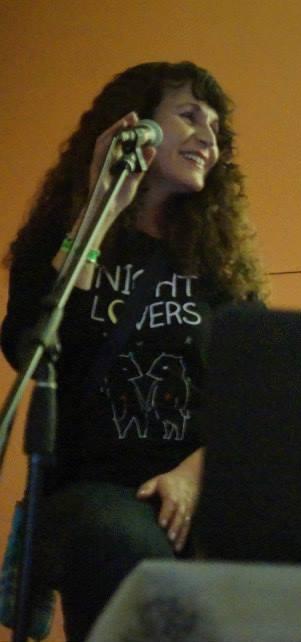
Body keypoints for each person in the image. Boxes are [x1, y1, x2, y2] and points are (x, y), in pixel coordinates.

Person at [0, 61, 266, 641]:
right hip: (95, 492)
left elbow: (258, 394)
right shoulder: (57, 242)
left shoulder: (220, 268)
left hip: (197, 487)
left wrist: (191, 475)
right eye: (189, 116)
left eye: (215, 127)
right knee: (120, 541)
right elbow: (34, 345)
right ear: (136, 125)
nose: (208, 137)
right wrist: (101, 209)